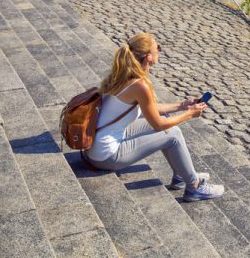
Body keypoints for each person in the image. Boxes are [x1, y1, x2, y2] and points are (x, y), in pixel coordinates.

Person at [84, 32, 224, 202]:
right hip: (106, 156)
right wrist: (189, 114)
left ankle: (181, 174)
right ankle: (194, 187)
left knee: (169, 127)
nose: (160, 51)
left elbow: (148, 109)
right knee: (172, 134)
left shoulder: (123, 74)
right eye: (158, 48)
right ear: (149, 57)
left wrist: (182, 105)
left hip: (97, 146)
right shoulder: (139, 85)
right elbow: (158, 124)